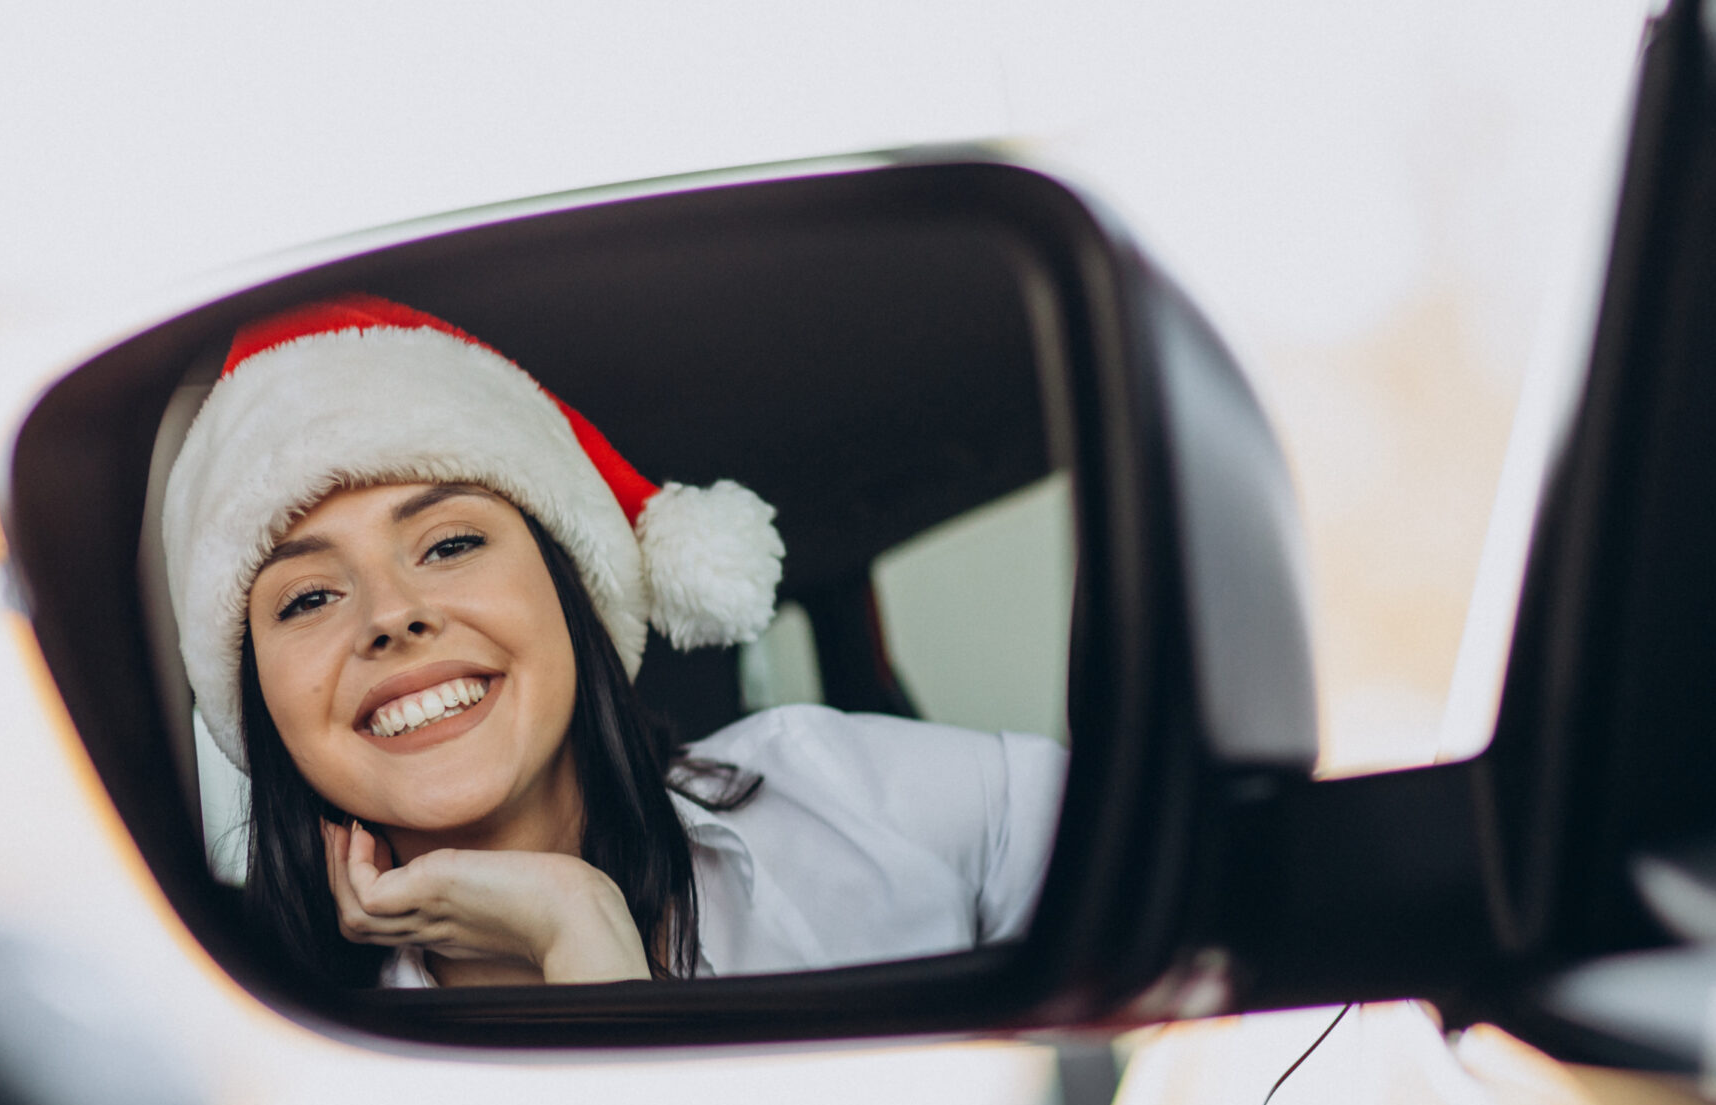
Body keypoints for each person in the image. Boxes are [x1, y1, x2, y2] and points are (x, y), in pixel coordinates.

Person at [158, 295, 1065, 987]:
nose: (390, 614)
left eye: (451, 544)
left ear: (573, 592)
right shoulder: (261, 1043)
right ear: (257, 698)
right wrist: (572, 926)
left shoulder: (847, 793)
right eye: (309, 597)